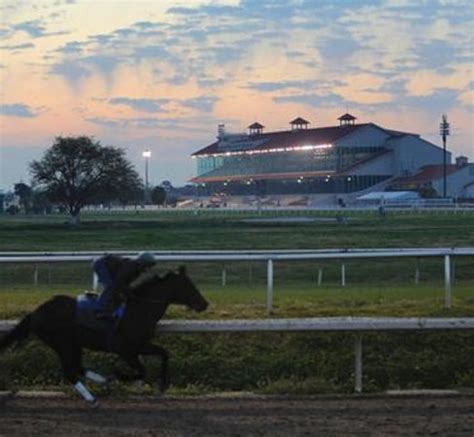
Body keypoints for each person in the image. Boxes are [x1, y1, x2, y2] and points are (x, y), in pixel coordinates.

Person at [92, 251, 156, 319]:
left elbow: (125, 284)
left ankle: (110, 311)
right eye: (149, 266)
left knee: (118, 292)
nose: (149, 269)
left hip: (110, 267)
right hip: (101, 264)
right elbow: (119, 282)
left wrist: (127, 293)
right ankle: (99, 310)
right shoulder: (130, 267)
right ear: (143, 263)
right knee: (111, 287)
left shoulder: (137, 270)